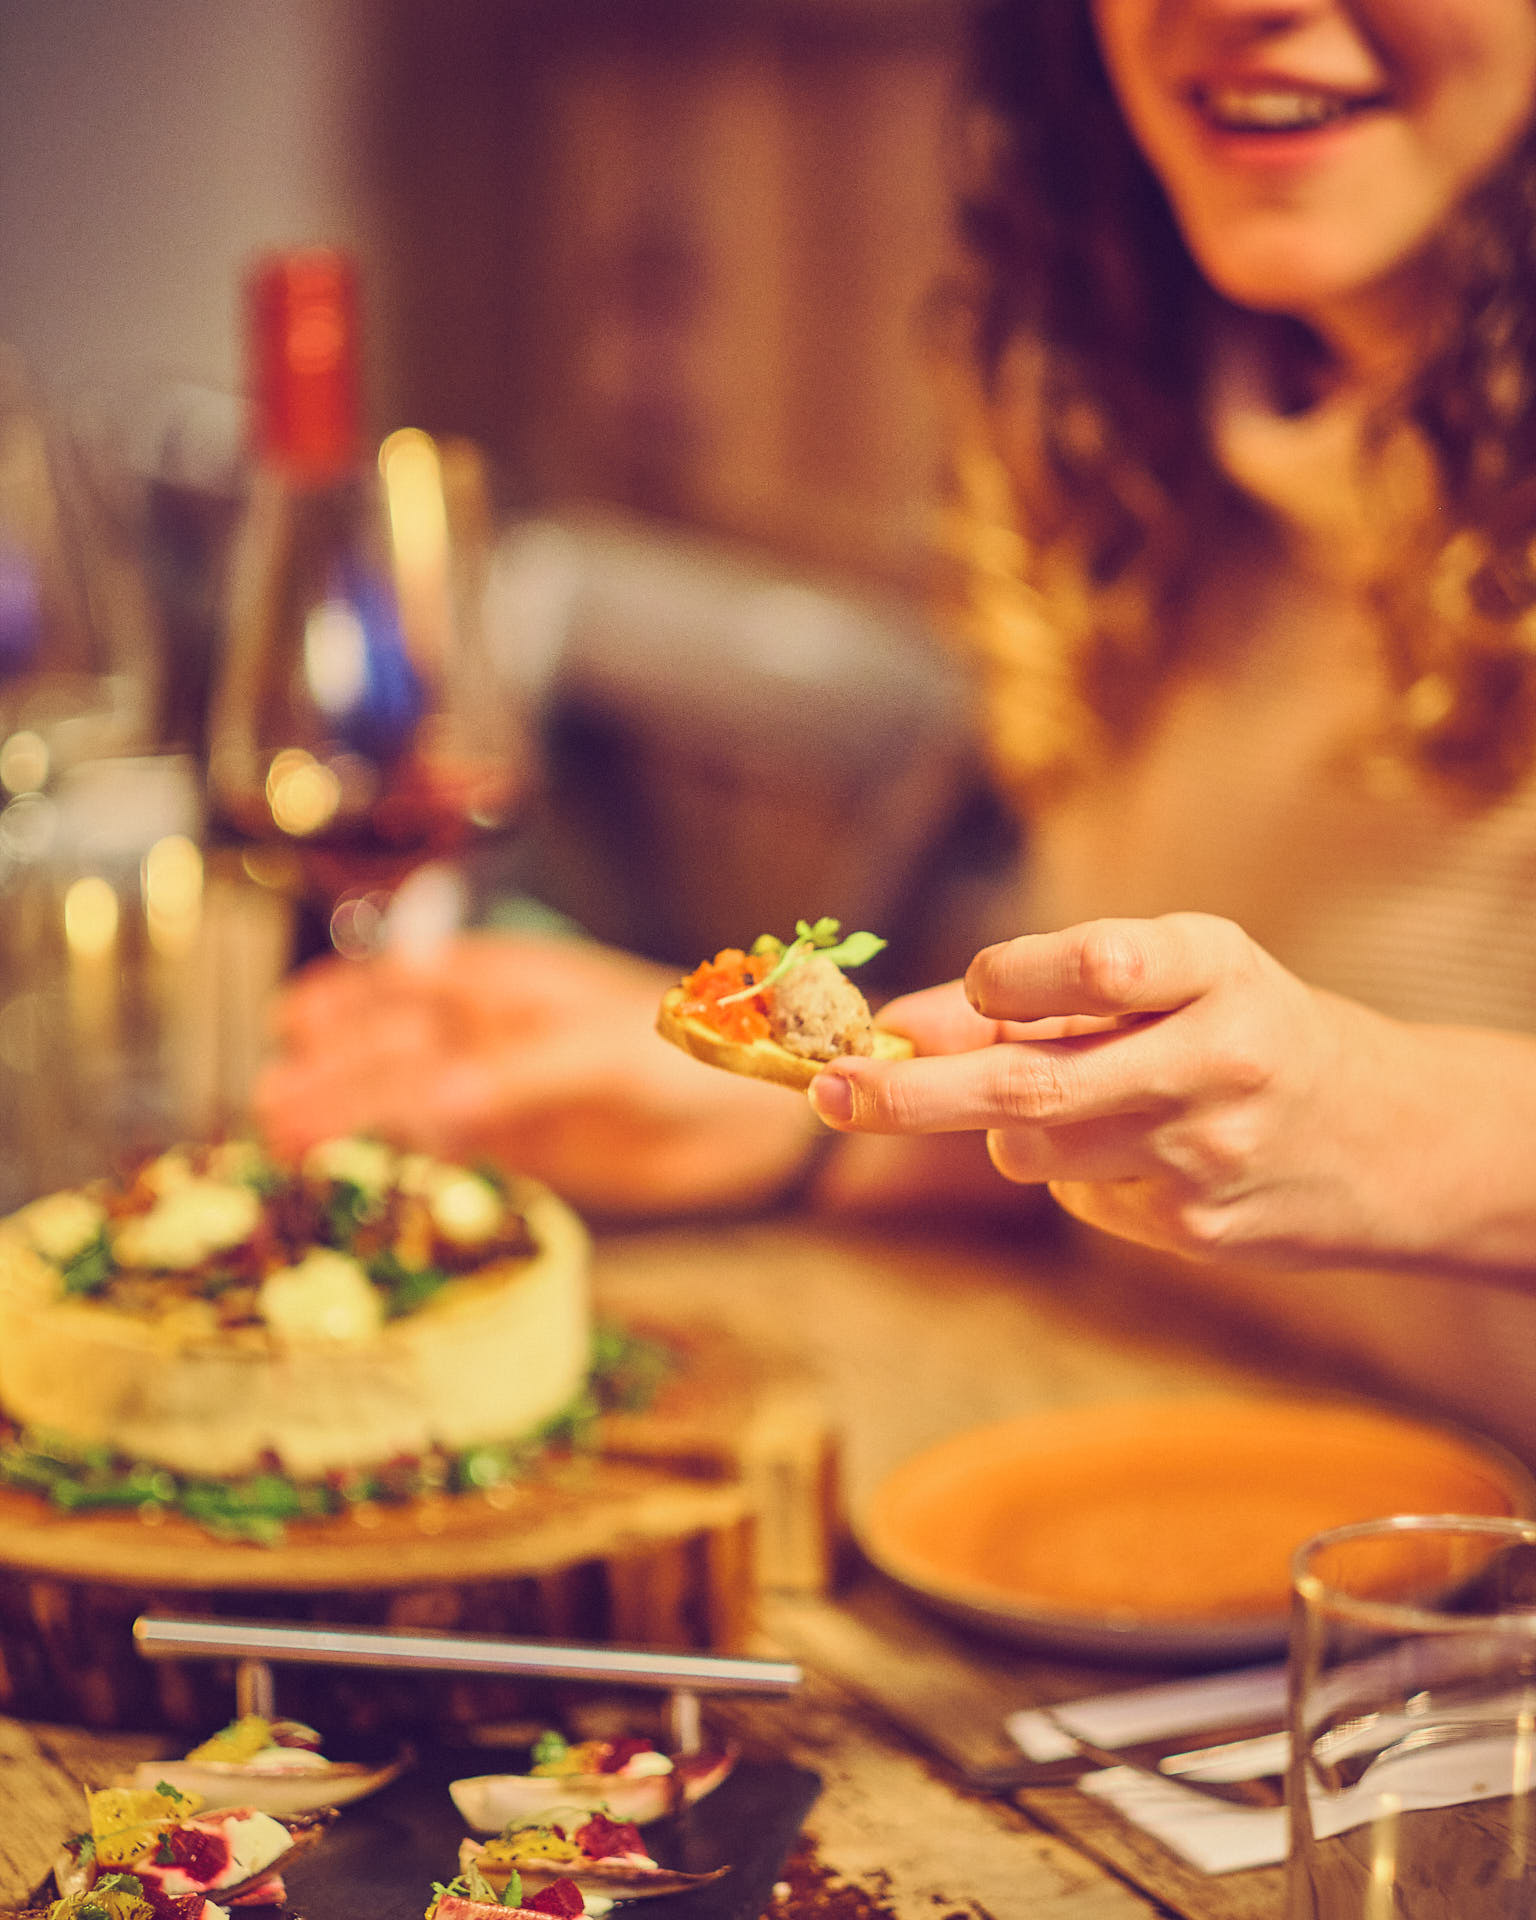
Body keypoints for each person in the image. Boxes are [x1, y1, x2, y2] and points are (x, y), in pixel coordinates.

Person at [255, 0, 1536, 1452]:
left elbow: (1342, 1151)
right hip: (1196, 1520)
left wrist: (1407, 1124)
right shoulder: (1147, 451)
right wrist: (797, 1124)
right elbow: (1210, 1174)